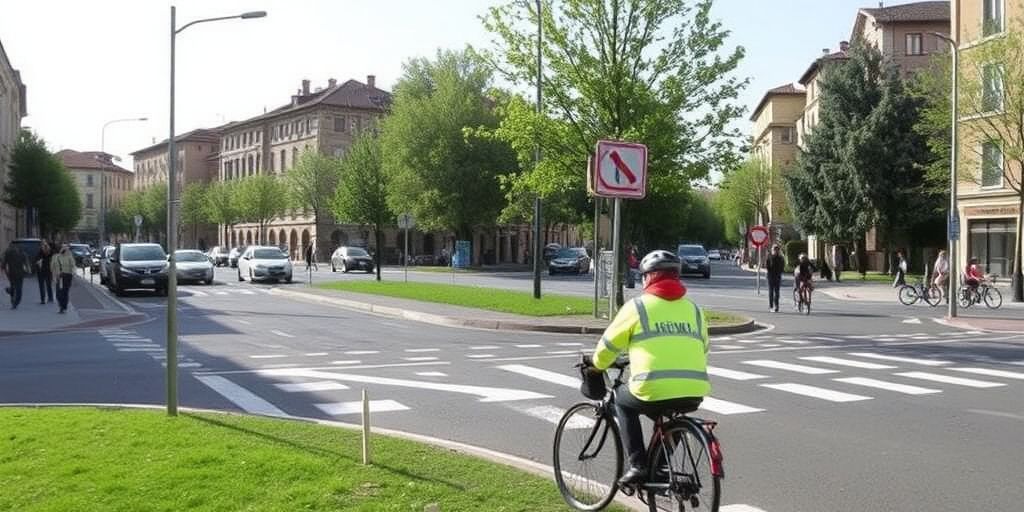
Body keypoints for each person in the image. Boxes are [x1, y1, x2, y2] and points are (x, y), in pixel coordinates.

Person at [587, 250, 710, 485]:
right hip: (694, 389)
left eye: (644, 276)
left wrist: (596, 366)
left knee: (622, 401)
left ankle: (638, 466)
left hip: (651, 388)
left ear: (651, 277)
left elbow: (607, 347)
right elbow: (703, 347)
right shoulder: (695, 310)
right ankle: (661, 466)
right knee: (670, 413)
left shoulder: (638, 307)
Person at [2, 241, 29, 309]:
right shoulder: (22, 253)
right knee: (19, 288)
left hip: (12, 273)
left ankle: (13, 299)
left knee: (14, 287)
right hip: (19, 274)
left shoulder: (8, 253)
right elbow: (26, 264)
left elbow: (4, 264)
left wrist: (4, 269)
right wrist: (28, 271)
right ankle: (15, 302)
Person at [51, 244, 76, 314]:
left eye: (66, 249)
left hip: (67, 276)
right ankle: (61, 304)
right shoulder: (55, 257)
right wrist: (54, 277)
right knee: (58, 293)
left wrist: (73, 272)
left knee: (65, 292)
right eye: (63, 248)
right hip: (59, 277)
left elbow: (73, 265)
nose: (65, 250)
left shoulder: (69, 257)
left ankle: (63, 307)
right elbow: (52, 268)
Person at [766, 244, 785, 312]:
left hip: (775, 276)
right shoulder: (771, 257)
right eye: (775, 249)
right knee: (772, 291)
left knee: (775, 292)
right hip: (772, 276)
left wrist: (779, 272)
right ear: (773, 250)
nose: (776, 251)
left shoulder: (779, 258)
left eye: (777, 250)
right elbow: (768, 267)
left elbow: (782, 267)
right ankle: (772, 305)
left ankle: (775, 306)